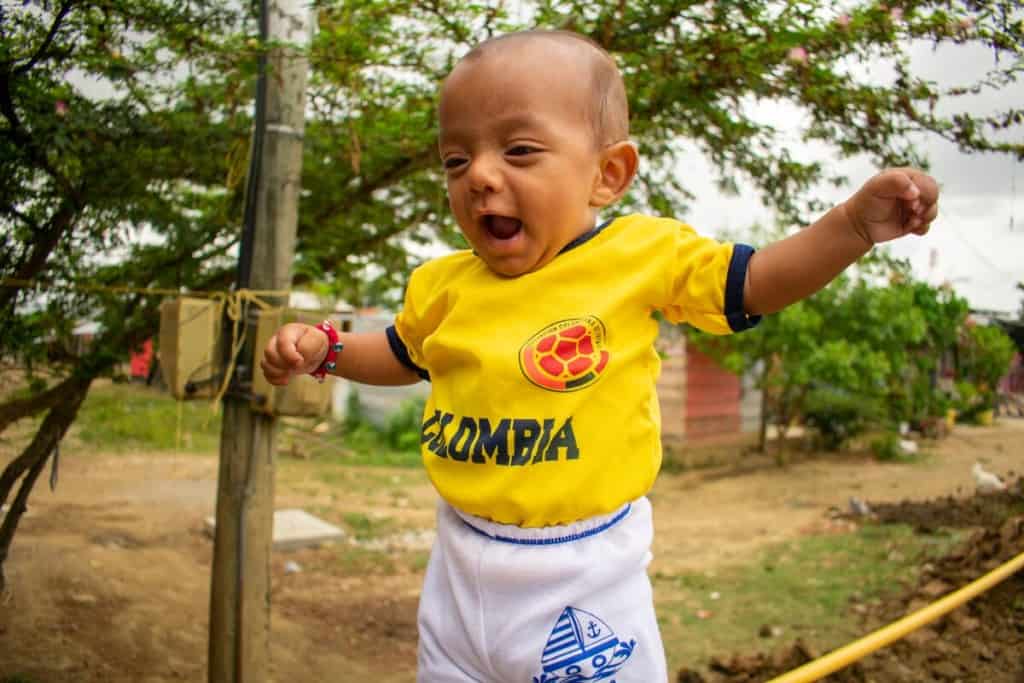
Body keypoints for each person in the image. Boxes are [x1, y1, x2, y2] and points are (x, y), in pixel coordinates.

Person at [261, 29, 938, 683]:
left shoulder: (639, 257)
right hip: (459, 567)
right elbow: (404, 356)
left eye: (520, 150)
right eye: (456, 160)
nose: (479, 177)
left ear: (607, 173)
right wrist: (331, 348)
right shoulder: (442, 285)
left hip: (581, 577)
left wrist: (849, 227)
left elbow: (758, 280)